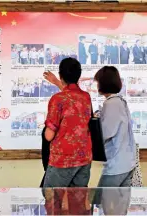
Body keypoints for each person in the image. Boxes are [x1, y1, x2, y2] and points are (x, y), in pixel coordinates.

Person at [43, 57, 92, 188]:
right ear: (79, 75)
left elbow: (49, 135)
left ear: (60, 75)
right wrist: (57, 82)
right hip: (84, 158)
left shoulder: (57, 99)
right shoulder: (86, 97)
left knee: (52, 200)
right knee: (78, 201)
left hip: (63, 159)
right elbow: (72, 96)